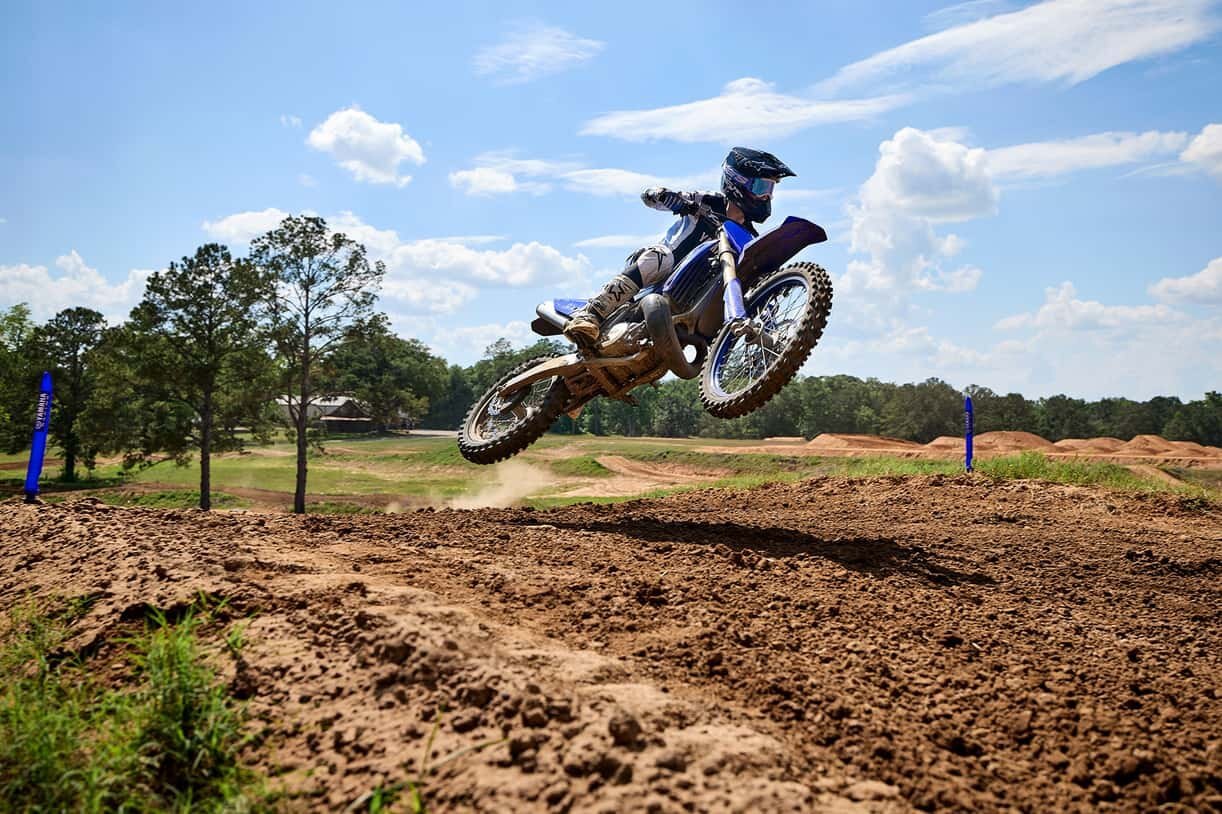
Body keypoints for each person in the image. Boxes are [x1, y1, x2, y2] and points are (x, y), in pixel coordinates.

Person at [563, 146, 795, 343]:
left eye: (771, 189)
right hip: (662, 272)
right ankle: (591, 313)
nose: (767, 196)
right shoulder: (707, 201)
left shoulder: (749, 236)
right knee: (659, 257)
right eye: (762, 188)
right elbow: (650, 197)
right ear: (737, 182)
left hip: (696, 292)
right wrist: (666, 196)